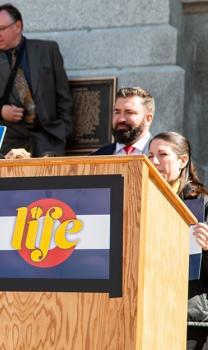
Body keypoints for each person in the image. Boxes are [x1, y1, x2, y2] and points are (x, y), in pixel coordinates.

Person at [0, 3, 73, 157]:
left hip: (48, 137)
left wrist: (64, 131)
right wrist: (1, 111)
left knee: (50, 181)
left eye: (0, 29)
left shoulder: (47, 50)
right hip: (9, 141)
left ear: (18, 26)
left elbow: (64, 94)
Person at [147, 132, 208, 348]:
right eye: (150, 154)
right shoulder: (143, 200)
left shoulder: (201, 205)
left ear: (183, 161)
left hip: (188, 320)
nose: (153, 161)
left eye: (162, 154)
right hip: (149, 313)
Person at [93, 87, 154, 155]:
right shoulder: (96, 157)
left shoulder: (162, 156)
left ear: (148, 119)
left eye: (129, 112)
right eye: (117, 112)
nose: (121, 119)